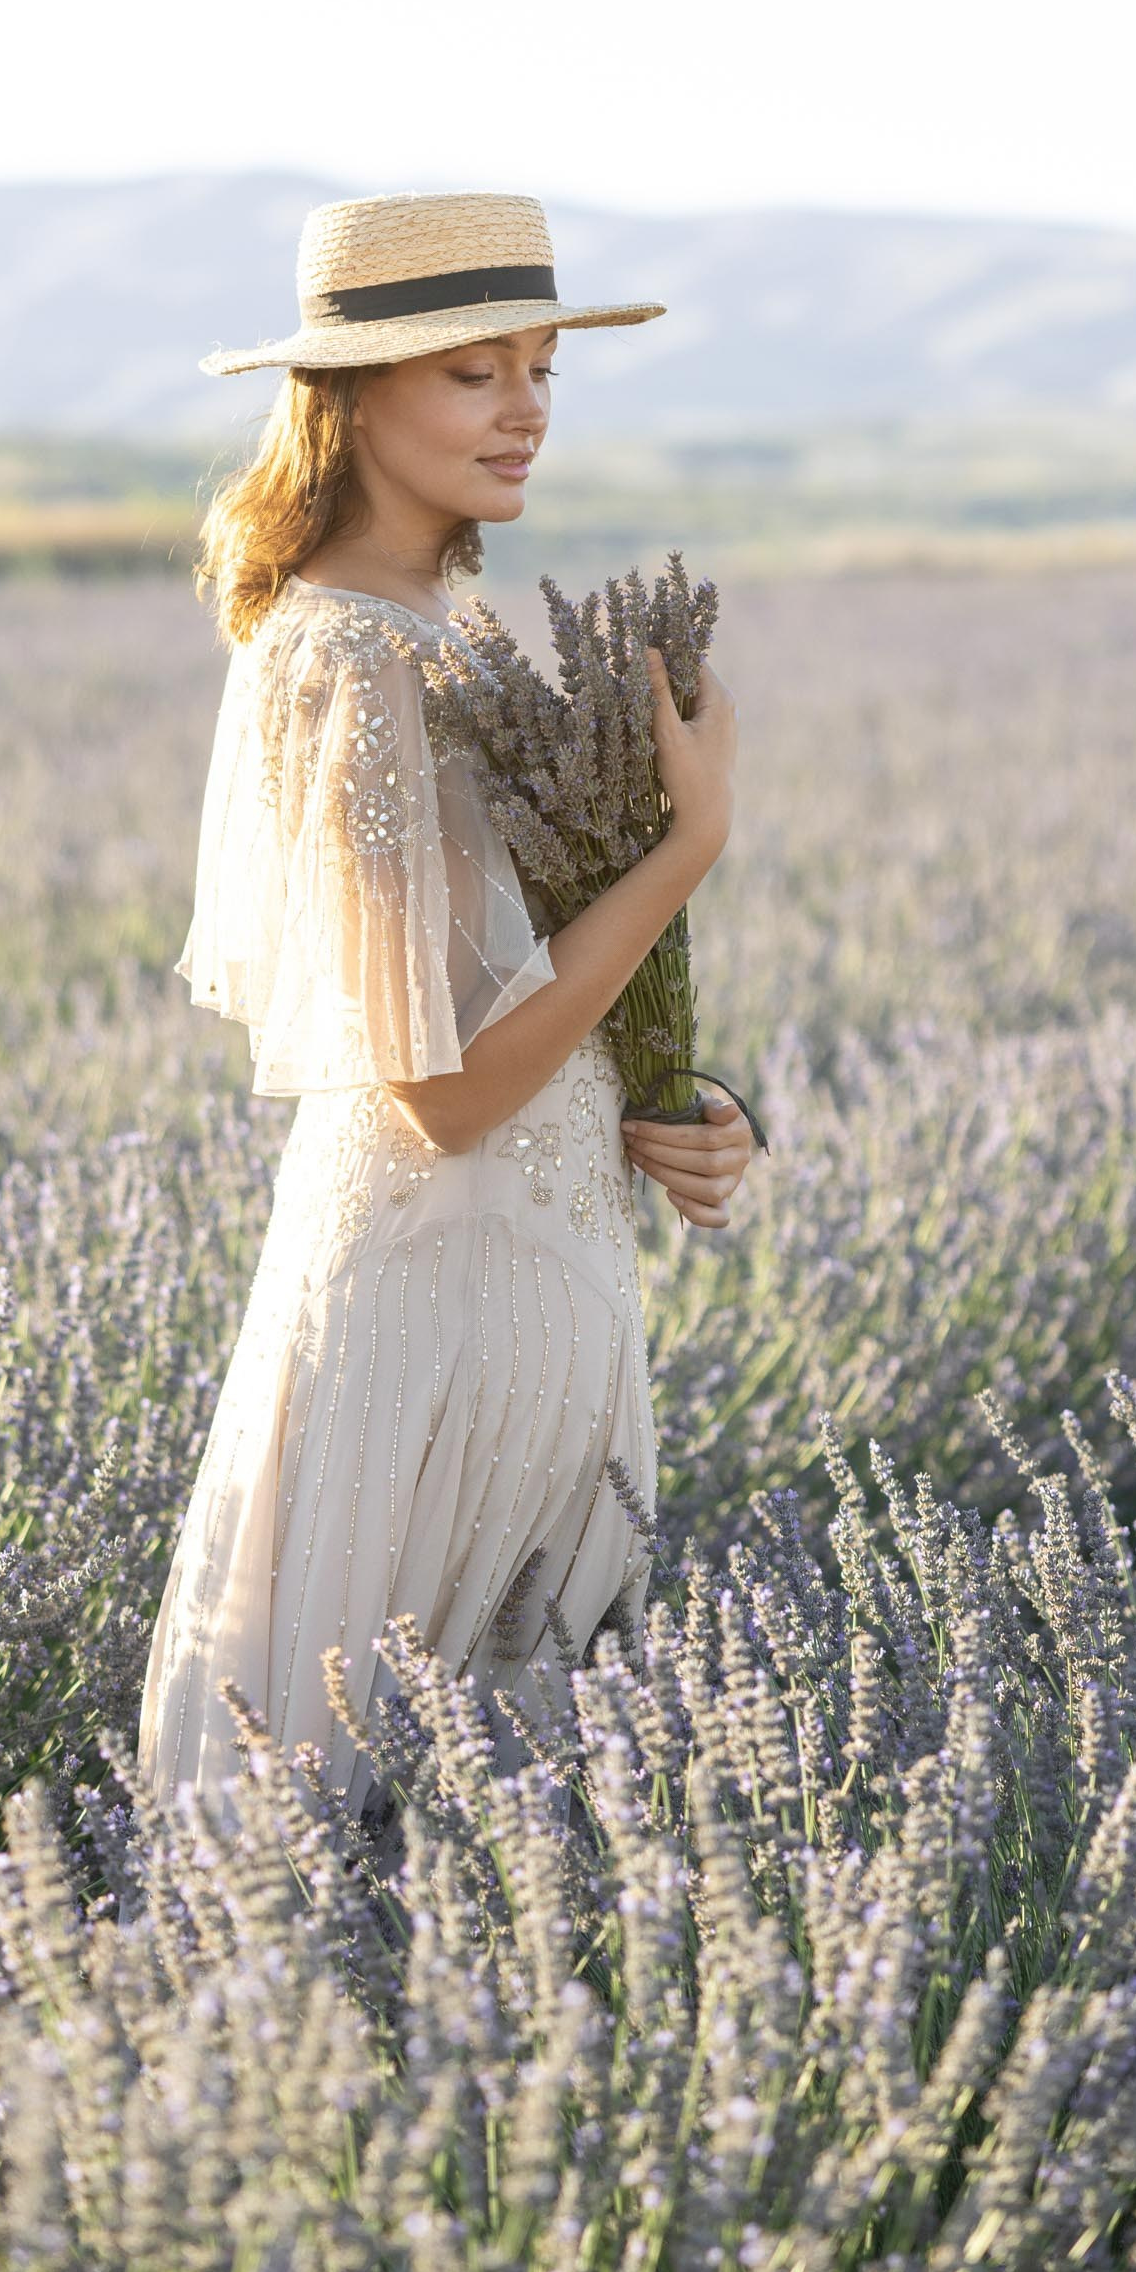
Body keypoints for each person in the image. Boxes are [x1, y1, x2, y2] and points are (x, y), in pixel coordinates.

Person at [138, 190, 752, 1816]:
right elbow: (438, 1089)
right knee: (364, 1812)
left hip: (540, 1280)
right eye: (472, 373)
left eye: (539, 366)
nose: (528, 408)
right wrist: (689, 845)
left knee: (503, 1832)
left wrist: (670, 1101)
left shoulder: (456, 626)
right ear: (345, 400)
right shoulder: (341, 655)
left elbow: (521, 998)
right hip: (433, 1303)